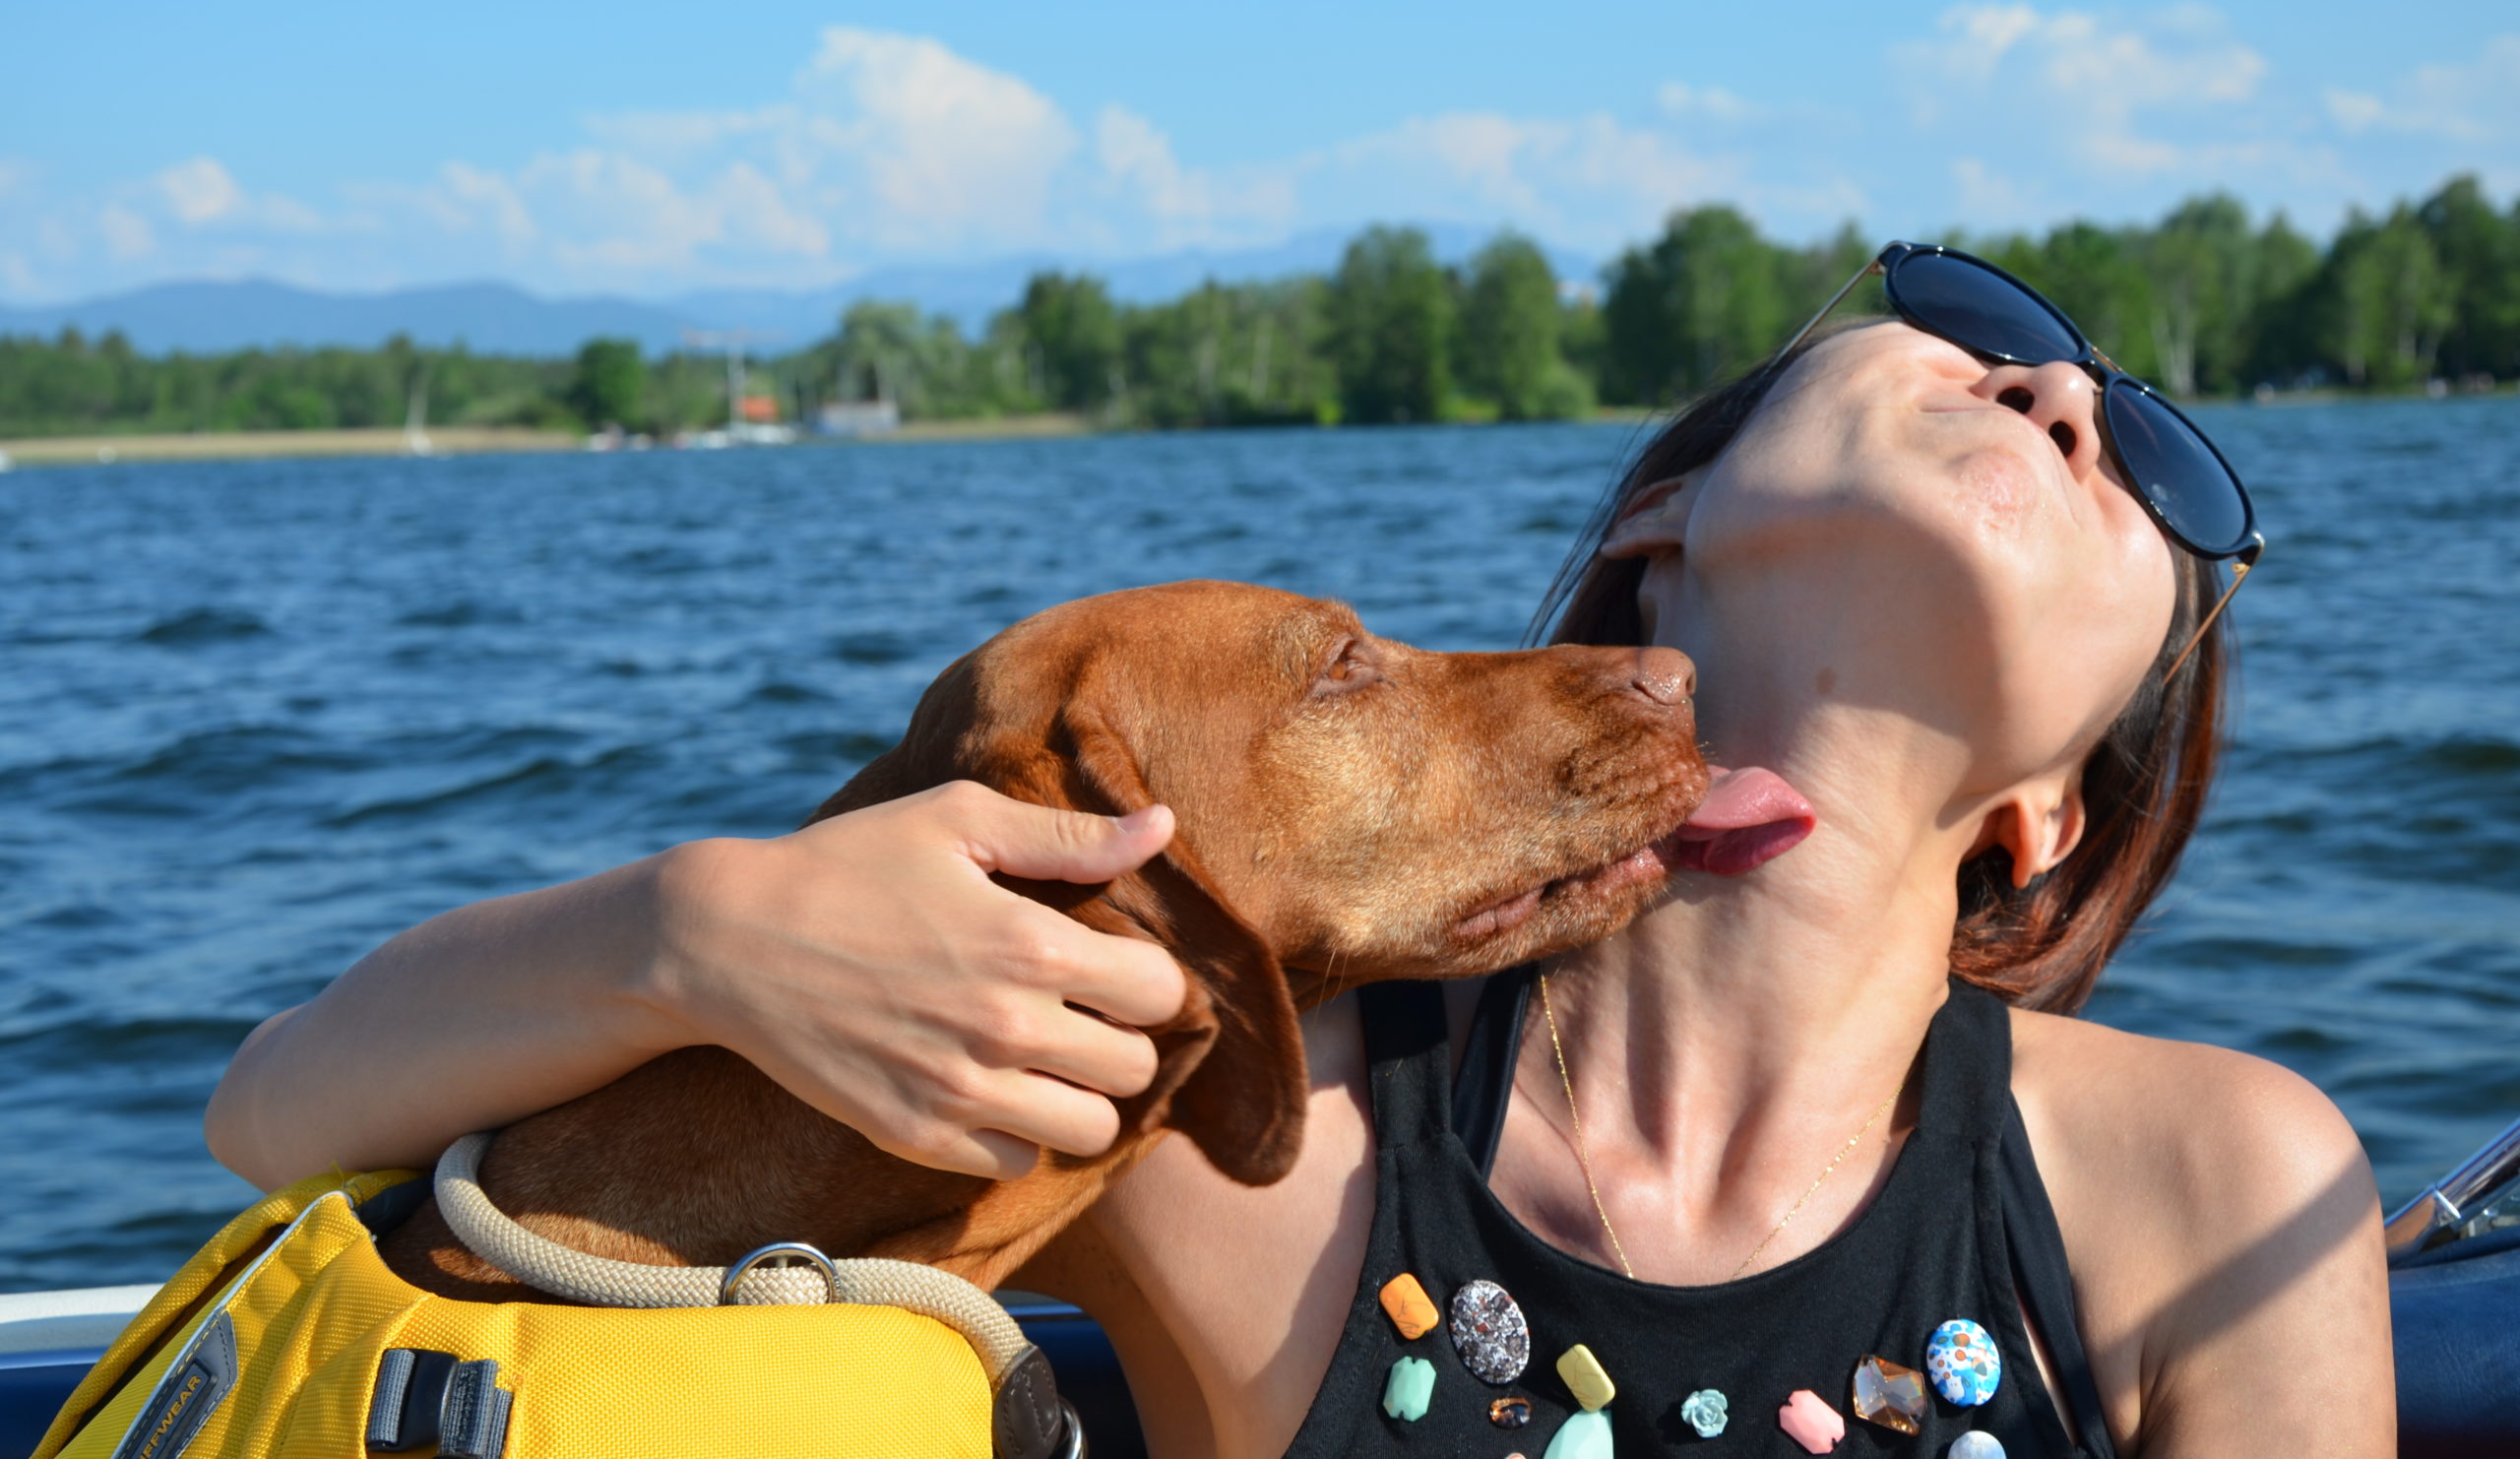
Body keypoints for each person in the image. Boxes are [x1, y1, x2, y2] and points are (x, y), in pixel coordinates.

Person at [207, 245, 2392, 1458]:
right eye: (1974, 327)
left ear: (2050, 806)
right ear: (1667, 510)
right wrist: (695, 922)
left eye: (2157, 463)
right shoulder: (1224, 1105)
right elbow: (280, 1113)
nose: (2062, 395)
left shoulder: (2217, 1187)